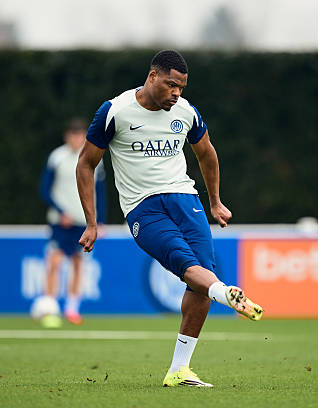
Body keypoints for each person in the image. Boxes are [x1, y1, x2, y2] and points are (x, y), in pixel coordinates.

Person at [76, 50, 263, 387]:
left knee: (201, 277)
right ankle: (226, 294)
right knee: (183, 260)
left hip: (185, 198)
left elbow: (207, 154)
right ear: (152, 76)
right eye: (171, 85)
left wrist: (215, 202)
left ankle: (179, 369)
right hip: (141, 207)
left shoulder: (186, 112)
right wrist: (91, 222)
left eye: (181, 87)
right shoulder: (115, 111)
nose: (176, 93)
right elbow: (86, 164)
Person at [39, 117, 106, 325]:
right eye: (73, 135)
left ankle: (72, 309)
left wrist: (100, 221)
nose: (76, 139)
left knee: (78, 262)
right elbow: (44, 190)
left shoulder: (95, 158)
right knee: (54, 261)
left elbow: (100, 192)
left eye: (80, 135)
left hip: (83, 221)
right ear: (66, 136)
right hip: (61, 222)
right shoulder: (57, 157)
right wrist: (61, 212)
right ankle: (49, 308)